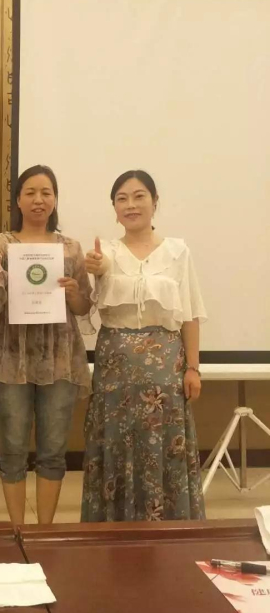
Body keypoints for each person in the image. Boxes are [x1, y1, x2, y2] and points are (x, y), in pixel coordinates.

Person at [81, 169, 206, 522]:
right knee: (115, 443)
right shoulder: (105, 252)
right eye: (122, 199)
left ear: (155, 202)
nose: (131, 205)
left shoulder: (178, 252)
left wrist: (193, 368)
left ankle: (168, 531)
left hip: (165, 368)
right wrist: (95, 268)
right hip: (115, 370)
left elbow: (190, 315)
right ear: (114, 208)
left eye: (139, 196)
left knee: (162, 445)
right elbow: (93, 288)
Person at [0, 165, 92, 525]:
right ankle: (18, 530)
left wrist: (74, 293)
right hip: (11, 358)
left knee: (53, 450)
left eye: (46, 192)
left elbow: (83, 307)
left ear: (55, 200)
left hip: (59, 359)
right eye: (30, 192)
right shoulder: (1, 243)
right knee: (12, 449)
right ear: (18, 200)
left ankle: (44, 531)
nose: (39, 200)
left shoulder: (70, 249)